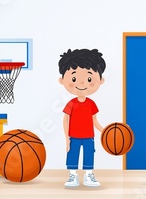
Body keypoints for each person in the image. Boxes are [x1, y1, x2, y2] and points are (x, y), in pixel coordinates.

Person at [58, 49, 106, 187]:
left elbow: (94, 120)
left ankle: (88, 175)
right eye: (74, 79)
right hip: (74, 136)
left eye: (89, 79)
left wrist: (105, 131)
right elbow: (65, 119)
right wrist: (67, 138)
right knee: (72, 155)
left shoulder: (91, 104)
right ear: (62, 80)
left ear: (100, 80)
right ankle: (73, 176)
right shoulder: (71, 103)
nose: (82, 83)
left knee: (89, 154)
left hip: (89, 136)